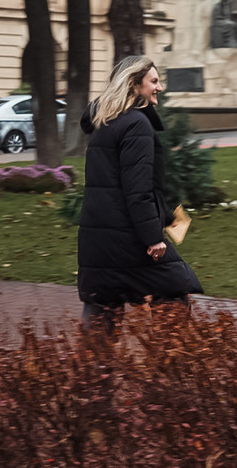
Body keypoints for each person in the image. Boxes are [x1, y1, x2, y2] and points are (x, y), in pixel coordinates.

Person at [76, 55, 202, 332]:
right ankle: (174, 358)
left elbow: (114, 183)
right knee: (172, 291)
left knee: (102, 309)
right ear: (134, 85)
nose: (159, 87)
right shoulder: (136, 124)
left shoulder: (105, 123)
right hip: (127, 238)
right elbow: (137, 188)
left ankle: (86, 362)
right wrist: (152, 237)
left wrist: (166, 216)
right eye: (153, 81)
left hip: (98, 238)